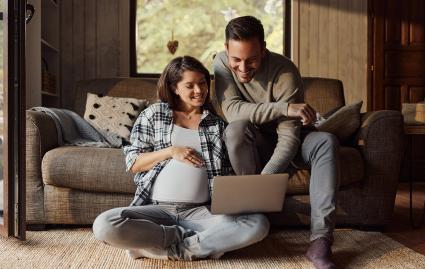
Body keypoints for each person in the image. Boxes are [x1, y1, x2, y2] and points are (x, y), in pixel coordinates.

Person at [93, 56, 270, 261]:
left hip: (200, 213)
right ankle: (191, 241)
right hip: (156, 209)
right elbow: (134, 163)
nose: (199, 90)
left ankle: (167, 250)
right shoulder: (153, 114)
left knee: (258, 223)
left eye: (203, 82)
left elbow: (227, 173)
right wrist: (171, 151)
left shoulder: (217, 125)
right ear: (175, 88)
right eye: (190, 85)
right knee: (105, 224)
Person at [214, 16, 339, 269]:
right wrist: (285, 108)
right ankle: (253, 216)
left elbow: (289, 137)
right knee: (235, 130)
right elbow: (234, 112)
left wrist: (265, 182)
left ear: (264, 48)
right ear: (227, 49)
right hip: (252, 141)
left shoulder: (285, 71)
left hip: (290, 142)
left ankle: (321, 240)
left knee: (326, 140)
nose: (243, 68)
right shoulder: (220, 63)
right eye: (236, 59)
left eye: (251, 60)